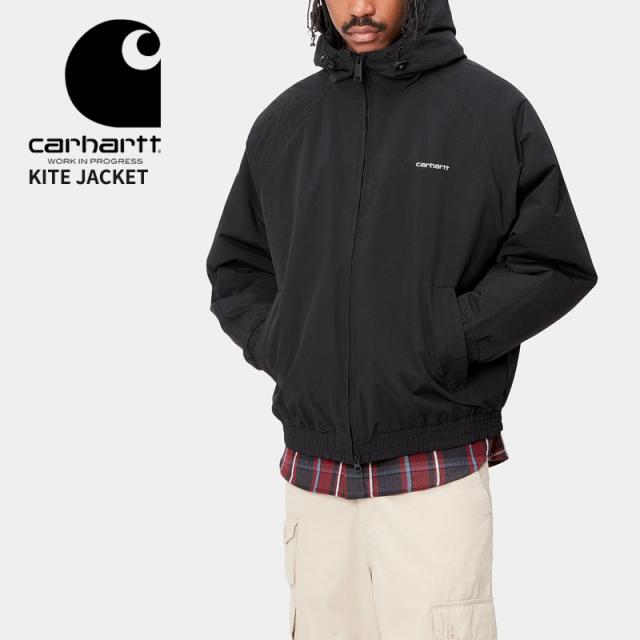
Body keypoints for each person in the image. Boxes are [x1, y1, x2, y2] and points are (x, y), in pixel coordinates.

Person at [206, 0, 598, 637]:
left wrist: (448, 337)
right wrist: (286, 344)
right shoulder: (285, 123)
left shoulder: (490, 111)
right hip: (315, 475)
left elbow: (553, 262)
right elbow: (238, 267)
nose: (360, 8)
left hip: (434, 470)